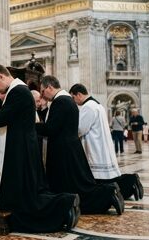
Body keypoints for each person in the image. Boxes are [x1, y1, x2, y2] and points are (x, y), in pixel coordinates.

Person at [0, 65, 80, 233]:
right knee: (28, 191)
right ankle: (65, 204)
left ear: (0, 77)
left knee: (26, 196)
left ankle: (65, 203)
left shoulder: (17, 91)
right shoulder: (18, 89)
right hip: (24, 146)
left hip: (21, 149)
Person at [35, 76, 124, 216]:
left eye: (42, 91)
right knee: (77, 184)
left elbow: (51, 128)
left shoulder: (60, 101)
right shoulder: (68, 100)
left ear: (50, 87)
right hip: (70, 148)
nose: (42, 95)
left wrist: (31, 126)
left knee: (74, 185)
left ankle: (107, 194)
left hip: (64, 151)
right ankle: (106, 193)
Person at [69, 83, 143, 201]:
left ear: (79, 94)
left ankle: (127, 185)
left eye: (73, 98)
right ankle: (131, 182)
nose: (73, 101)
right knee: (109, 179)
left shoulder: (88, 107)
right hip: (101, 146)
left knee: (101, 182)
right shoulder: (97, 105)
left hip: (95, 148)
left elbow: (80, 129)